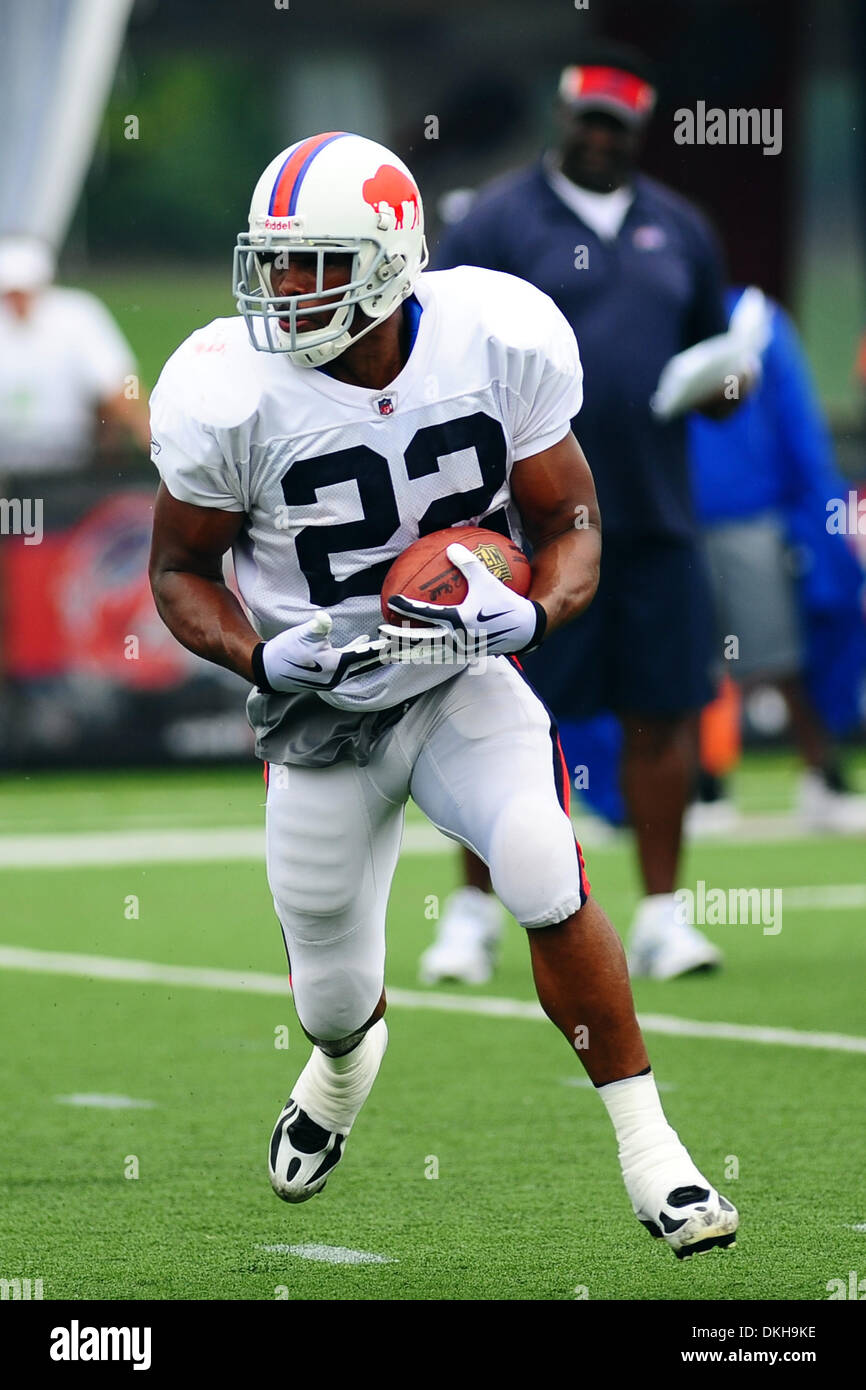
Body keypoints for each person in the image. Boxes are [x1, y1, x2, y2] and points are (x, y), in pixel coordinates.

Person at [147, 131, 738, 1258]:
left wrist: (534, 614)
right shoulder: (225, 387)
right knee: (331, 991)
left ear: (387, 257)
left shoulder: (494, 335)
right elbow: (178, 569)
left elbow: (568, 521)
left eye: (314, 261)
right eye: (272, 261)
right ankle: (338, 1068)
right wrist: (259, 659)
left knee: (536, 860)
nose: (283, 289)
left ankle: (655, 1156)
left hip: (460, 677)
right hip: (320, 708)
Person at [424, 41, 754, 986]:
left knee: (663, 712)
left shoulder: (680, 228)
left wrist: (727, 379)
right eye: (589, 122)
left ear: (638, 132)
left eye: (619, 127)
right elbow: (437, 347)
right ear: (564, 119)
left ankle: (661, 914)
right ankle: (477, 917)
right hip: (527, 518)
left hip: (651, 513)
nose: (601, 140)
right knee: (505, 715)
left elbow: (713, 360)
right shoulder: (495, 220)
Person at [689, 288, 866, 833]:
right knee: (683, 664)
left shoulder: (759, 323)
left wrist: (817, 512)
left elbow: (798, 426)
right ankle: (700, 787)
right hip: (674, 516)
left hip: (750, 517)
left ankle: (824, 776)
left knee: (781, 658)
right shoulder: (653, 314)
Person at [0, 235, 151, 475]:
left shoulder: (77, 316)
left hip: (66, 469)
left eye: (23, 293)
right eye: (10, 294)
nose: (17, 303)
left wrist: (148, 435)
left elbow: (122, 382)